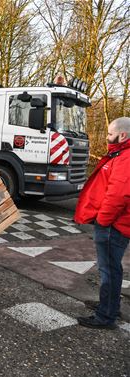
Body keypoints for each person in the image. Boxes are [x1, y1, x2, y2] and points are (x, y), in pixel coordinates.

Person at [74, 117, 130, 330]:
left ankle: (105, 316)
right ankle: (109, 307)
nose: (107, 138)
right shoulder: (121, 155)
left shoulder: (125, 158)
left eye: (109, 134)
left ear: (122, 135)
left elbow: (119, 195)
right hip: (115, 224)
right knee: (111, 269)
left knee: (109, 270)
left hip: (112, 226)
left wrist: (102, 221)